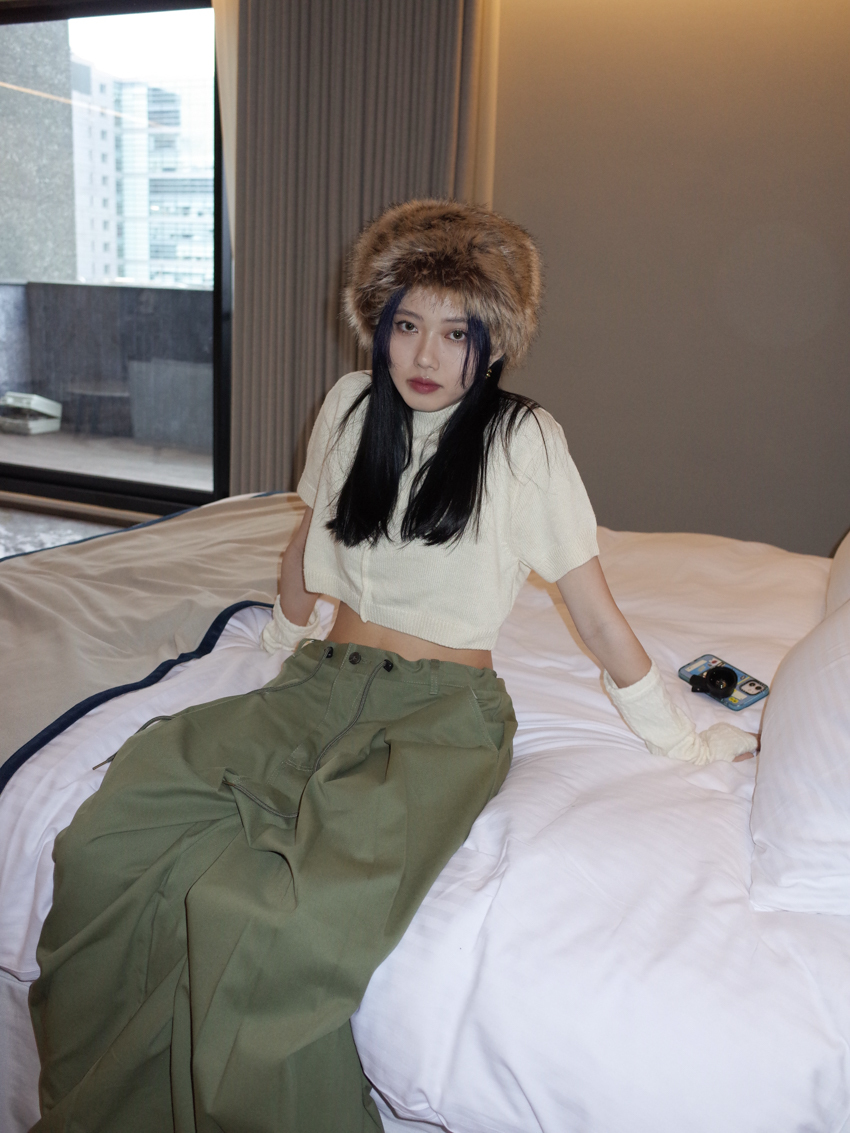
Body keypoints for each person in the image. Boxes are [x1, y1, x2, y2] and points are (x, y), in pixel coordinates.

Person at [29, 199, 756, 1133]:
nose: (425, 355)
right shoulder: (348, 404)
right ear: (377, 322)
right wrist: (278, 642)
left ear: (494, 343)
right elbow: (310, 540)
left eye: (457, 333)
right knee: (109, 841)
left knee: (276, 928)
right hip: (320, 681)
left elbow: (596, 614)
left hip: (439, 719)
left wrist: (683, 740)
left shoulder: (522, 441)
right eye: (406, 324)